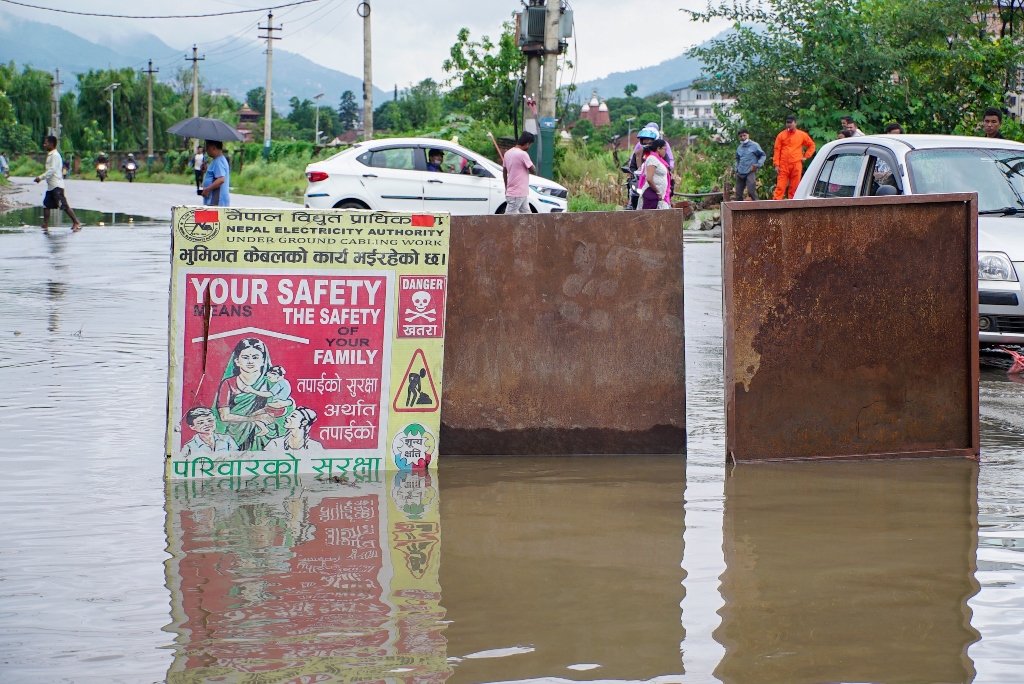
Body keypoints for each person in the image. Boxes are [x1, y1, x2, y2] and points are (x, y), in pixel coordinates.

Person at [214, 337, 286, 450]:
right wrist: (253, 418)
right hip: (236, 435)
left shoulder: (272, 384)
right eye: (245, 357)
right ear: (237, 361)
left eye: (255, 357)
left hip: (267, 436)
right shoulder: (228, 383)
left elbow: (284, 408)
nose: (250, 361)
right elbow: (224, 416)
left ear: (263, 360)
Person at [34, 136, 81, 231]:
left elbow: (52, 170)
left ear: (51, 144)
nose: (44, 145)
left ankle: (76, 222)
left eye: (46, 143)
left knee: (63, 204)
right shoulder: (51, 155)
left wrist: (41, 177)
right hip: (51, 186)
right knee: (46, 204)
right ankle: (45, 224)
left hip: (57, 185)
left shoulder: (55, 155)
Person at [772, 116, 816, 200]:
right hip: (783, 165)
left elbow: (812, 145)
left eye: (790, 123)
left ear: (795, 123)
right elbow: (777, 150)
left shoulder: (802, 135)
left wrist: (806, 156)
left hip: (796, 164)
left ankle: (793, 206)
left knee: (795, 187)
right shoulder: (781, 135)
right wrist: (776, 164)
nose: (788, 124)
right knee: (780, 187)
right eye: (787, 123)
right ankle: (775, 205)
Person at [502, 132, 536, 214]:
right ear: (527, 144)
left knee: (527, 215)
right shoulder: (523, 154)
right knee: (508, 218)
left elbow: (504, 172)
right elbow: (533, 170)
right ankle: (502, 227)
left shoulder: (507, 153)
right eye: (530, 144)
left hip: (516, 192)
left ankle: (531, 227)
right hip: (517, 192)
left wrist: (507, 187)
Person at [734, 129, 766, 201]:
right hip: (740, 172)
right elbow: (737, 159)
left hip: (750, 171)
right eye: (741, 136)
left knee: (751, 191)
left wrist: (758, 164)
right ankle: (739, 210)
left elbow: (763, 155)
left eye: (744, 135)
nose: (743, 138)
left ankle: (758, 207)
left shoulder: (755, 145)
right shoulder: (739, 148)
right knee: (738, 194)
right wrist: (736, 167)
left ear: (748, 135)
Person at [641, 138, 672, 209]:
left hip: (661, 196)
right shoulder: (652, 159)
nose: (665, 151)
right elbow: (649, 178)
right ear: (658, 149)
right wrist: (658, 191)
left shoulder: (660, 160)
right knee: (650, 217)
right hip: (653, 194)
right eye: (664, 149)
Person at [201, 140, 231, 207]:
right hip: (215, 200)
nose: (206, 150)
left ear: (213, 148)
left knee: (213, 217)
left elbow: (221, 179)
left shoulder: (218, 161)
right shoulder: (219, 160)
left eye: (207, 148)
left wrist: (207, 189)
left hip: (216, 201)